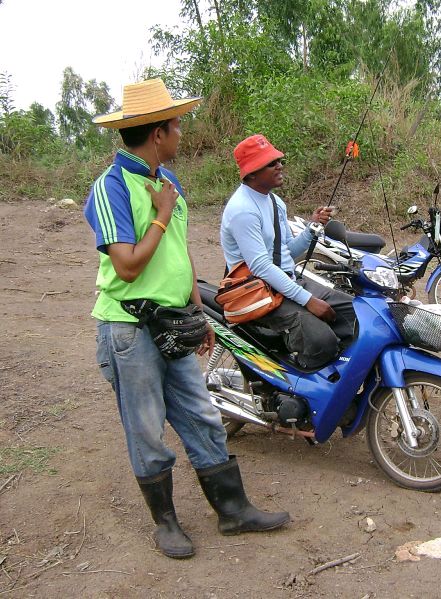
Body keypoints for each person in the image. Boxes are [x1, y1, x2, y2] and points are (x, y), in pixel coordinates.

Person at [84, 79, 289, 559]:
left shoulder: (168, 182)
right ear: (157, 133)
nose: (181, 133)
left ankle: (234, 511)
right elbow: (127, 265)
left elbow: (177, 254)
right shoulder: (112, 186)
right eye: (176, 125)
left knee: (201, 415)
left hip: (174, 320)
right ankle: (167, 524)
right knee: (147, 428)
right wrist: (160, 215)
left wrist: (200, 314)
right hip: (130, 329)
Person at [220, 134, 356, 369]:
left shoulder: (275, 203)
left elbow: (286, 253)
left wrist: (312, 228)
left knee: (352, 312)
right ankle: (295, 387)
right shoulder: (243, 210)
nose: (280, 165)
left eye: (279, 160)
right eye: (271, 163)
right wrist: (308, 300)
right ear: (252, 173)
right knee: (321, 341)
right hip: (259, 291)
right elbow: (261, 266)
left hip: (284, 281)